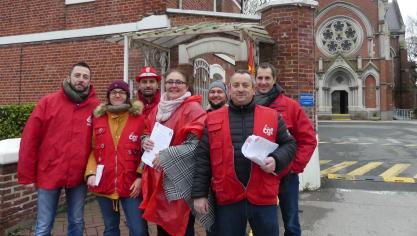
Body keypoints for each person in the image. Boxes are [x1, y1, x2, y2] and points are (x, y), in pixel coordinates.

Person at [192, 70, 297, 236]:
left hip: (263, 194)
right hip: (228, 195)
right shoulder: (212, 119)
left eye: (245, 85)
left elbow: (289, 144)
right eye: (236, 85)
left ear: (253, 89)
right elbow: (203, 159)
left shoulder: (272, 116)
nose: (240, 89)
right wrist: (199, 194)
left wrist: (277, 159)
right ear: (229, 90)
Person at [17, 62, 100, 236]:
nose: (81, 80)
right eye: (77, 75)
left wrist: (93, 171)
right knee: (43, 225)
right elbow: (29, 139)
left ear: (90, 81)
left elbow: (101, 141)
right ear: (69, 77)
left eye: (85, 77)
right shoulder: (48, 102)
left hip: (78, 176)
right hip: (49, 172)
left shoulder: (96, 107)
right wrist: (26, 176)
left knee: (77, 221)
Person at [141, 69, 207, 236]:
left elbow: (196, 145)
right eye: (170, 82)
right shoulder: (158, 108)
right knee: (162, 225)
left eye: (179, 82)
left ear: (186, 86)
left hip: (180, 179)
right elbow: (146, 130)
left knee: (181, 227)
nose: (173, 86)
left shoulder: (193, 109)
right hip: (158, 177)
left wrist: (167, 155)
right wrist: (145, 140)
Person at [255, 62, 317, 236]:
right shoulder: (249, 105)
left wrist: (293, 167)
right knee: (264, 223)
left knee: (290, 223)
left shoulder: (290, 106)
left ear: (275, 80)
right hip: (258, 175)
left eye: (267, 78)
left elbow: (308, 139)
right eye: (260, 78)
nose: (263, 82)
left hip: (286, 176)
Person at [85, 80, 148, 236]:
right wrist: (91, 172)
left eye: (121, 92)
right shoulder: (97, 118)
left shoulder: (139, 119)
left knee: (138, 230)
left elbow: (146, 151)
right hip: (105, 183)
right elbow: (92, 149)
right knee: (110, 229)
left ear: (127, 96)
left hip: (131, 185)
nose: (117, 95)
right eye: (114, 92)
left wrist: (140, 177)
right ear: (108, 96)